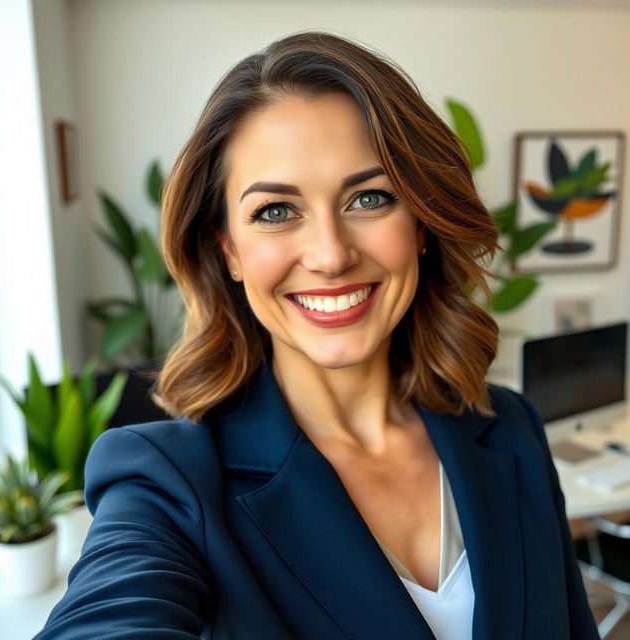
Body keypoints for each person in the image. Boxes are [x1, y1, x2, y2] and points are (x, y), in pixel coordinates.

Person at [35, 30, 599, 640]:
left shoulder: (511, 427)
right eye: (276, 211)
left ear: (422, 226)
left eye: (370, 197)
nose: (330, 255)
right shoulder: (167, 484)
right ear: (228, 250)